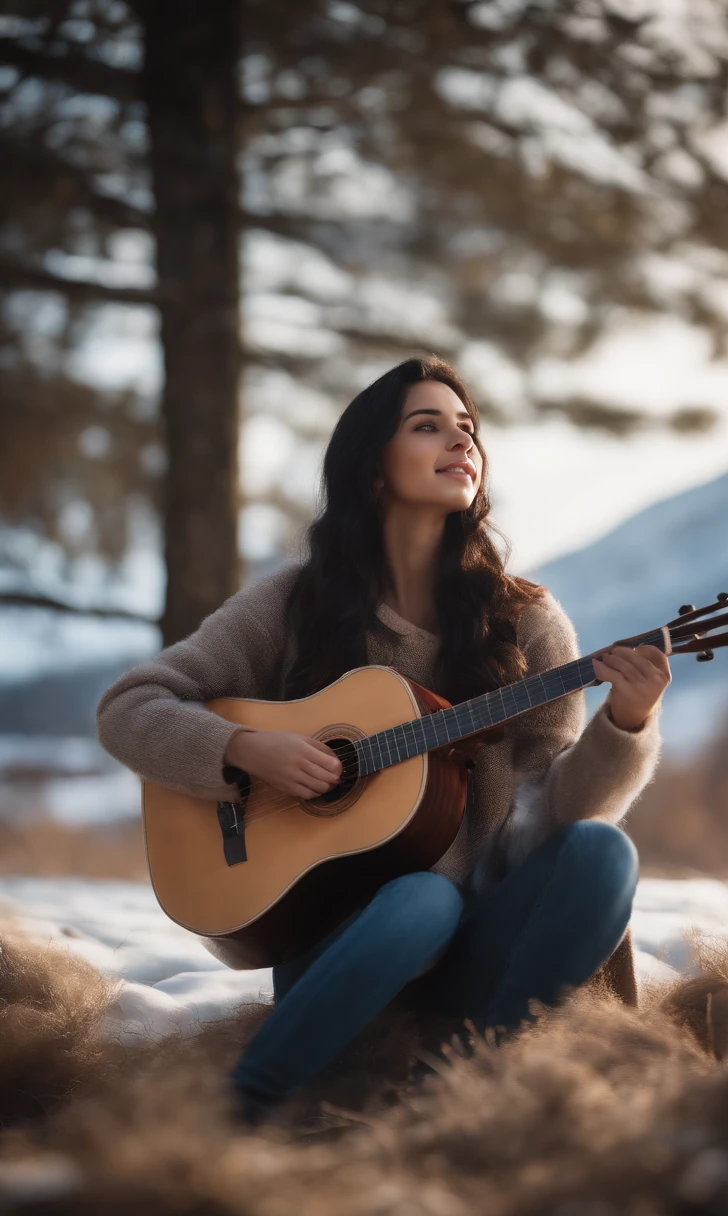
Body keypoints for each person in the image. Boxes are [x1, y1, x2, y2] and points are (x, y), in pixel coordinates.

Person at [96, 356, 670, 1127]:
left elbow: (549, 817)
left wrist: (624, 726)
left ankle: (456, 1093)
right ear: (372, 469)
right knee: (419, 897)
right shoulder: (294, 603)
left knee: (604, 854)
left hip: (481, 960)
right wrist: (242, 750)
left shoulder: (526, 624)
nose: (460, 442)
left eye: (468, 429)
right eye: (427, 425)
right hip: (341, 952)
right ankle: (239, 1114)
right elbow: (131, 704)